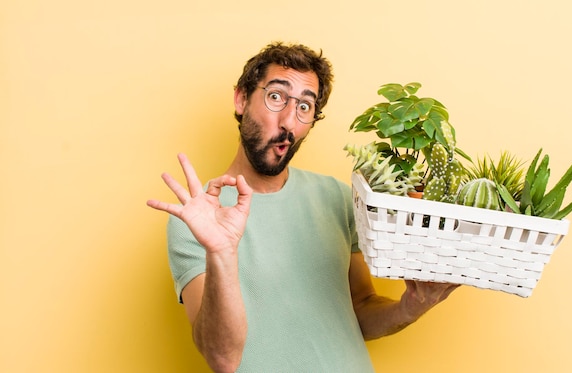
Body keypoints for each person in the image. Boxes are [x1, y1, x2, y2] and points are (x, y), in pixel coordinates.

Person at [147, 42, 458, 373]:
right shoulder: (196, 220)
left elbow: (361, 308)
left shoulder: (337, 198)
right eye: (276, 97)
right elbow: (222, 358)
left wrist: (408, 308)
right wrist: (222, 252)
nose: (288, 122)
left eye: (305, 107)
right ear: (241, 100)